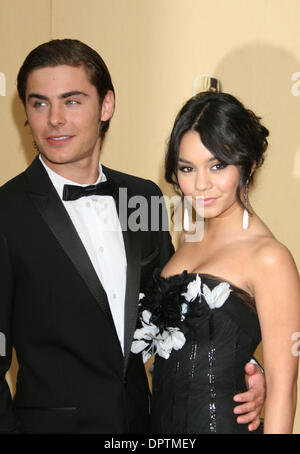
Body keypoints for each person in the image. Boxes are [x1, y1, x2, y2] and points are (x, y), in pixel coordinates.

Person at [0, 39, 264, 434]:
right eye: (39, 103)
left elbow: (180, 307)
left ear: (106, 105)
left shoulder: (142, 197)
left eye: (71, 101)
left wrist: (246, 366)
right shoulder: (8, 211)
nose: (54, 119)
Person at [132, 91, 300, 434]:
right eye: (187, 168)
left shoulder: (270, 259)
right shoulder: (187, 238)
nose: (201, 184)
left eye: (217, 165)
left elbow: (284, 391)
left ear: (249, 164)